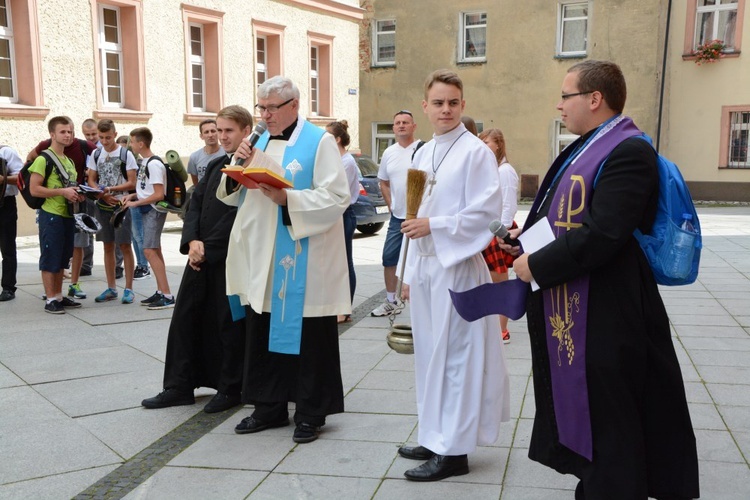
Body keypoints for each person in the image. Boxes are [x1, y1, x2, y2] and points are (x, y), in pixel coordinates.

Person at [503, 60, 699, 498]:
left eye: (565, 95)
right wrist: (526, 241)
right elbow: (567, 219)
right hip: (585, 300)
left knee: (611, 416)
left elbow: (605, 231)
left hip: (609, 309)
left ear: (594, 99)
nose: (559, 105)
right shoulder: (590, 146)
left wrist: (537, 266)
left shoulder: (629, 150)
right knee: (597, 415)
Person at [218, 75, 350, 444]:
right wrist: (236, 167)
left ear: (294, 105)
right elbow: (231, 193)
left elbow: (338, 197)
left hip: (301, 256)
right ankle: (268, 406)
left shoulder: (319, 142)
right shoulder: (257, 138)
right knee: (262, 331)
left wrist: (287, 201)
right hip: (262, 255)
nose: (265, 115)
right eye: (261, 108)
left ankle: (311, 412)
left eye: (271, 108)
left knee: (309, 337)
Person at [397, 69, 510, 481]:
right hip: (427, 267)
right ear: (425, 106)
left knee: (457, 359)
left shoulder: (476, 152)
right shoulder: (421, 152)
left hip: (458, 268)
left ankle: (455, 451)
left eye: (453, 102)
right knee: (429, 355)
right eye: (438, 103)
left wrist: (437, 226)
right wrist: (408, 272)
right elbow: (412, 215)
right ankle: (433, 434)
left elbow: (485, 213)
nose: (446, 109)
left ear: (463, 105)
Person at [141, 105, 250, 413]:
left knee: (227, 325)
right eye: (219, 129)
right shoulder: (217, 165)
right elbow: (195, 203)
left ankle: (230, 388)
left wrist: (206, 248)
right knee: (185, 320)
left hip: (227, 260)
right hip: (199, 256)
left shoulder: (252, 167)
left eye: (228, 130)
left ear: (245, 131)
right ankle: (179, 385)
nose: (222, 135)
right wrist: (191, 241)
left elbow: (238, 217)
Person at [28, 120, 98, 289]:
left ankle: (59, 296)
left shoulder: (69, 161)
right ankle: (51, 299)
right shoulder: (43, 159)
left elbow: (69, 187)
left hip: (68, 214)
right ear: (52, 134)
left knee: (62, 260)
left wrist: (76, 195)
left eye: (70, 132)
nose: (67, 135)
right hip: (51, 214)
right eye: (63, 132)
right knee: (50, 259)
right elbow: (34, 189)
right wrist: (62, 192)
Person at [370, 110, 422, 317]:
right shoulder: (389, 153)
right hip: (398, 217)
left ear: (414, 126)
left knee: (422, 260)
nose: (401, 125)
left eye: (406, 122)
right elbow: (383, 181)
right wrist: (391, 203)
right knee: (389, 258)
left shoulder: (423, 149)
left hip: (420, 218)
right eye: (397, 123)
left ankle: (422, 302)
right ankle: (391, 300)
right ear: (393, 128)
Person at [87, 119, 138, 304]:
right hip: (103, 204)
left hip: (121, 205)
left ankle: (129, 288)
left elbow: (132, 182)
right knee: (107, 245)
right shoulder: (96, 153)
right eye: (101, 137)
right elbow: (91, 178)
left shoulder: (126, 154)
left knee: (124, 245)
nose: (105, 141)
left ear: (115, 134)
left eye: (108, 137)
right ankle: (111, 288)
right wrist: (100, 193)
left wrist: (112, 190)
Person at [123, 127, 174, 310]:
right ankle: (161, 291)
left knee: (149, 251)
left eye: (132, 142)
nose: (131, 145)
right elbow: (146, 189)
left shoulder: (153, 164)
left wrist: (136, 203)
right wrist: (133, 196)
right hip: (147, 209)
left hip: (153, 210)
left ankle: (167, 295)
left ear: (141, 143)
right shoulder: (144, 162)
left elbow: (159, 194)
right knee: (155, 250)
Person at [478, 128, 518, 343]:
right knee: (491, 281)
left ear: (498, 145)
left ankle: (502, 330)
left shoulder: (505, 171)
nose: (483, 146)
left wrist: (500, 235)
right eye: (481, 142)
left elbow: (509, 206)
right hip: (490, 231)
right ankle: (495, 327)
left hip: (498, 233)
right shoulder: (493, 169)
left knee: (500, 282)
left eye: (487, 142)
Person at [326, 120, 359, 324]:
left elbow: (339, 192)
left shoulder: (346, 162)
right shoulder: (336, 159)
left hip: (344, 214)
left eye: (328, 135)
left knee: (345, 262)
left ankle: (345, 308)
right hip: (335, 214)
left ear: (337, 139)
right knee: (336, 263)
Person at [116, 135, 150, 280]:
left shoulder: (138, 163)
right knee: (134, 237)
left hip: (136, 200)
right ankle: (140, 264)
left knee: (138, 235)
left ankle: (143, 265)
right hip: (128, 201)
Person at [0, 145, 24, 302]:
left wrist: (3, 179)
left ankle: (8, 288)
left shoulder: (6, 152)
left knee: (7, 247)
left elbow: (22, 178)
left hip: (5, 204)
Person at [187, 119, 225, 186]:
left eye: (213, 131)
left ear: (218, 133)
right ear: (201, 136)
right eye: (206, 132)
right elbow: (195, 182)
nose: (210, 135)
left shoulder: (227, 154)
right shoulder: (194, 157)